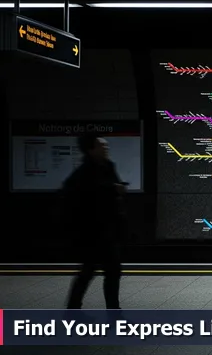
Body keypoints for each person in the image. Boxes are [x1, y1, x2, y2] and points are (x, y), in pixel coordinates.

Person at [63, 133, 126, 310]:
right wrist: (113, 189)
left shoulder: (108, 166)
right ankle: (74, 309)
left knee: (111, 272)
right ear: (90, 150)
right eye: (101, 146)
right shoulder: (83, 173)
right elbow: (84, 196)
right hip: (91, 232)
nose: (106, 148)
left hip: (108, 230)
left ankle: (111, 311)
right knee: (89, 272)